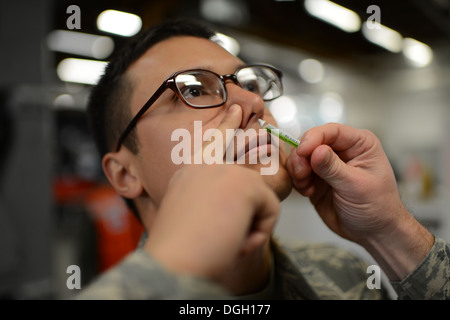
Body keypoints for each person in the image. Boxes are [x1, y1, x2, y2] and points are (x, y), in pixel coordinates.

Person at [78, 18, 449, 300]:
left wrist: (390, 232)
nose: (253, 103)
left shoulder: (347, 279)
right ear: (125, 173)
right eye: (193, 88)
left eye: (251, 84)